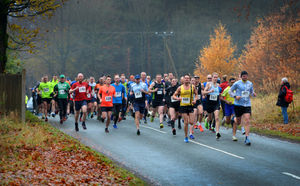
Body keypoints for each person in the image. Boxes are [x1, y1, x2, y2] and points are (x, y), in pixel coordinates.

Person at [229, 71, 256, 145]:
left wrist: (253, 94)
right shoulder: (237, 83)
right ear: (241, 76)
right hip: (238, 104)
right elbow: (230, 91)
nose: (245, 77)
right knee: (238, 122)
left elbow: (251, 92)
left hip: (247, 104)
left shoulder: (250, 83)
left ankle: (247, 138)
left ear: (247, 76)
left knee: (247, 120)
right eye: (243, 76)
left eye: (246, 76)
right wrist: (235, 96)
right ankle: (234, 119)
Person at [173, 74, 198, 143]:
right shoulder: (180, 88)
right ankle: (186, 136)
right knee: (186, 123)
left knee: (191, 122)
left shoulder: (192, 87)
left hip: (190, 105)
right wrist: (178, 98)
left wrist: (195, 100)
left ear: (189, 79)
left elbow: (196, 95)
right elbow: (173, 96)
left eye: (188, 78)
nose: (186, 79)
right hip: (183, 106)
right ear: (183, 79)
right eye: (185, 78)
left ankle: (185, 120)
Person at [203, 72, 222, 139]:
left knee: (216, 118)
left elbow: (218, 94)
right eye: (214, 77)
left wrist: (219, 95)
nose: (215, 78)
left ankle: (217, 132)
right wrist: (209, 92)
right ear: (212, 78)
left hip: (216, 103)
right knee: (210, 118)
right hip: (209, 103)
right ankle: (206, 120)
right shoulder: (209, 84)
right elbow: (204, 92)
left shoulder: (218, 85)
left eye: (216, 77)